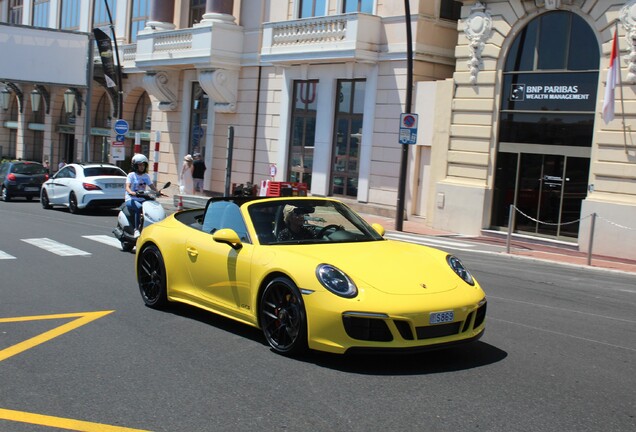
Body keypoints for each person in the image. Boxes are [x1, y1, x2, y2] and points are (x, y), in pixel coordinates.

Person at [125, 153, 158, 238]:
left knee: (153, 205)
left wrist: (158, 192)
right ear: (135, 166)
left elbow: (152, 186)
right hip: (131, 199)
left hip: (141, 198)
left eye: (143, 165)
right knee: (139, 207)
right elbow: (127, 187)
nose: (142, 167)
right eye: (140, 165)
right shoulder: (131, 175)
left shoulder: (146, 176)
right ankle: (136, 229)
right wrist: (131, 192)